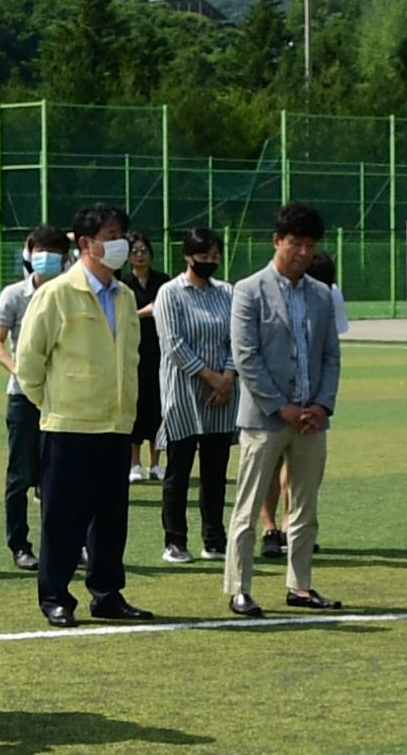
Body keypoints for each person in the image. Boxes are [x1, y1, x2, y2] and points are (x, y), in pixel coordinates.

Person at [12, 203, 153, 627]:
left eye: (122, 235)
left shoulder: (126, 296)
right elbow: (29, 364)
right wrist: (56, 403)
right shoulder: (56, 293)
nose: (120, 244)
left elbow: (130, 358)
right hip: (68, 425)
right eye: (110, 235)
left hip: (115, 425)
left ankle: (107, 592)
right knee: (62, 519)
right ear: (86, 243)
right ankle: (55, 595)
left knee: (111, 518)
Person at [224, 202, 343, 619]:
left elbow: (331, 355)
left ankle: (301, 585)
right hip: (264, 419)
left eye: (310, 245)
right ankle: (239, 588)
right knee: (248, 506)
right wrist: (284, 407)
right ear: (277, 241)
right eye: (295, 243)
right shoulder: (249, 289)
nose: (303, 252)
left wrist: (323, 405)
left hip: (312, 420)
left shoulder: (321, 294)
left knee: (305, 507)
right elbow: (246, 357)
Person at [154, 225, 239, 565]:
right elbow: (173, 343)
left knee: (216, 472)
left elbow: (237, 336)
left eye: (215, 257)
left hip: (222, 396)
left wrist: (227, 378)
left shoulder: (227, 293)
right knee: (179, 470)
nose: (209, 262)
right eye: (203, 257)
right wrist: (210, 377)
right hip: (184, 394)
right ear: (188, 256)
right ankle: (175, 540)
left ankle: (214, 538)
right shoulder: (170, 293)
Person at [0, 225, 68, 573]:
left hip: (63, 395)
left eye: (54, 252)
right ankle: (20, 544)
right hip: (23, 396)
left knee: (60, 476)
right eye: (41, 250)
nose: (47, 257)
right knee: (20, 475)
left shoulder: (71, 293)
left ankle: (67, 542)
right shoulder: (14, 294)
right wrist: (17, 368)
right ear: (29, 252)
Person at [126, 231, 166, 486]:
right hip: (132, 351)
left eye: (143, 250)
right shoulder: (122, 283)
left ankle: (155, 464)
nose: (140, 255)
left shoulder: (162, 281)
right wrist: (144, 312)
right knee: (134, 407)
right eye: (135, 251)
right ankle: (134, 464)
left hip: (160, 351)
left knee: (159, 408)